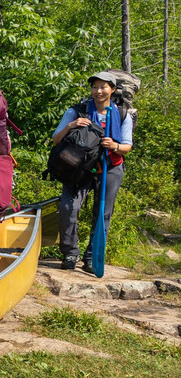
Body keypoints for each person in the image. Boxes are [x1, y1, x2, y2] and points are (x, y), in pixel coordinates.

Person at [51, 71, 133, 273]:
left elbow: (127, 146)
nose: (98, 91)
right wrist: (72, 125)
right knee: (68, 208)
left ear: (112, 90)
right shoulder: (77, 111)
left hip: (110, 167)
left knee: (103, 214)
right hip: (79, 168)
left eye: (103, 87)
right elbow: (56, 139)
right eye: (95, 86)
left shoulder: (122, 114)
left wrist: (114, 145)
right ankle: (70, 252)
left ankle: (91, 257)